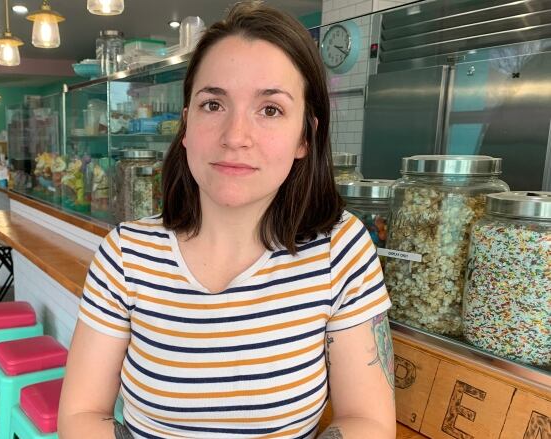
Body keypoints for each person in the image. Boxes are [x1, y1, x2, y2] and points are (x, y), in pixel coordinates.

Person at [59, 2, 396, 438]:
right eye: (213, 104)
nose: (235, 136)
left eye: (270, 109)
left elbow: (366, 420)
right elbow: (82, 414)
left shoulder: (340, 251)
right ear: (185, 125)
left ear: (305, 137)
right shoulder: (126, 255)